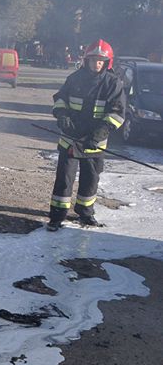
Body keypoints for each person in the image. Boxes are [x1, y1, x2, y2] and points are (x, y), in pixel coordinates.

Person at [47, 39, 126, 231]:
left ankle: (85, 213)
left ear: (107, 62)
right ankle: (57, 217)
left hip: (94, 141)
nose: (96, 64)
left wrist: (99, 133)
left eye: (100, 60)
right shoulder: (74, 78)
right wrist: (62, 116)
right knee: (64, 180)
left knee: (90, 180)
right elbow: (60, 100)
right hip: (70, 140)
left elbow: (117, 113)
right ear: (86, 60)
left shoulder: (113, 83)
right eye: (93, 60)